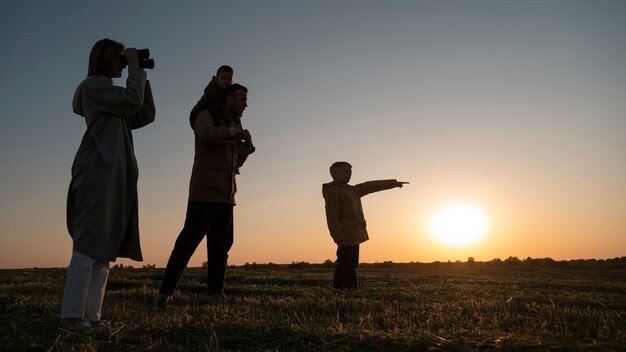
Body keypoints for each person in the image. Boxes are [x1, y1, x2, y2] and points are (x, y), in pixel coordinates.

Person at [61, 38, 156, 330]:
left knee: (104, 251)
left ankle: (91, 316)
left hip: (112, 175)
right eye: (119, 57)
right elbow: (130, 100)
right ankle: (71, 316)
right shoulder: (93, 86)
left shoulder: (112, 97)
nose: (123, 61)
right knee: (88, 245)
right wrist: (135, 73)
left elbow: (143, 113)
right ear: (104, 58)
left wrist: (141, 75)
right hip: (97, 172)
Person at [155, 83, 253, 309]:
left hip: (227, 197)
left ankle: (216, 296)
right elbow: (206, 134)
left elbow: (234, 163)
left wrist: (245, 150)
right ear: (229, 99)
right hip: (204, 194)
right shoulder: (205, 114)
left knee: (220, 250)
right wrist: (233, 132)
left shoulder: (232, 124)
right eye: (242, 99)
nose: (245, 104)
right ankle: (164, 295)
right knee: (186, 245)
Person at [322, 162, 408, 290]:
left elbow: (369, 186)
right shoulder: (333, 192)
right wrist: (338, 236)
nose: (350, 173)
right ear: (335, 174)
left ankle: (351, 290)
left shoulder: (353, 190)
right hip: (344, 237)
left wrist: (392, 183)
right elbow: (332, 217)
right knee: (344, 266)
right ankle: (339, 291)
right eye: (346, 171)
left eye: (351, 171)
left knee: (352, 266)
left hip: (355, 235)